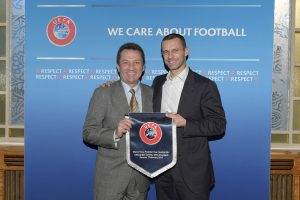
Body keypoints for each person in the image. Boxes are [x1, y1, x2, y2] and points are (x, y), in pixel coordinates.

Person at [152, 33, 226, 200]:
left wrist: (185, 123)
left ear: (186, 51)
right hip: (162, 171)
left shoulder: (205, 85)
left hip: (193, 173)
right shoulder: (157, 83)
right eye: (165, 52)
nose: (170, 56)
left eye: (175, 50)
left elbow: (218, 125)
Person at [83, 42, 152, 200]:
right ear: (118, 66)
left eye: (136, 62)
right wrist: (114, 133)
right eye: (125, 62)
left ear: (143, 67)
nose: (131, 67)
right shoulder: (103, 93)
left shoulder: (154, 94)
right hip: (110, 179)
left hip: (140, 180)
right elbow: (88, 132)